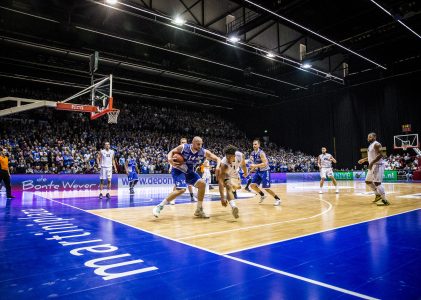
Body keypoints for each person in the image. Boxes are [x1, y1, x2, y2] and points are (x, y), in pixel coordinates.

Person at [153, 136, 221, 218]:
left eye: (201, 144)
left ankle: (199, 210)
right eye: (198, 144)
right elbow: (171, 151)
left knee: (202, 184)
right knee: (181, 189)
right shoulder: (184, 147)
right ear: (193, 143)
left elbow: (217, 158)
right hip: (178, 170)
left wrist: (217, 167)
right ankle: (159, 206)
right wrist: (169, 159)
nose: (200, 146)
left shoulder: (203, 152)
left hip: (189, 172)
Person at [358, 132, 390, 206]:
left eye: (370, 137)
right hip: (372, 165)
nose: (368, 138)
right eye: (368, 137)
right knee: (368, 181)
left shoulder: (377, 144)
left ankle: (385, 201)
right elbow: (371, 157)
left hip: (378, 165)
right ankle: (377, 195)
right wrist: (364, 160)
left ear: (374, 137)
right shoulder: (370, 146)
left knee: (377, 183)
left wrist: (372, 163)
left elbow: (381, 155)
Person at [218, 145, 248, 219]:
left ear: (234, 156)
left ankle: (233, 192)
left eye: (229, 157)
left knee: (235, 188)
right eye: (226, 157)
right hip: (226, 173)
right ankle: (233, 207)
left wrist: (245, 172)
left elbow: (243, 165)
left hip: (235, 174)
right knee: (228, 187)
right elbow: (220, 181)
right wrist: (222, 197)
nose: (227, 159)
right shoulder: (224, 164)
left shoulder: (240, 156)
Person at [249, 139, 281, 206]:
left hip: (265, 171)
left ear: (259, 145)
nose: (254, 145)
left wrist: (255, 166)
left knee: (266, 188)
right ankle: (262, 195)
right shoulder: (252, 153)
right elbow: (254, 163)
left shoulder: (261, 153)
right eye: (253, 144)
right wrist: (251, 170)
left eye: (255, 144)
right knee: (252, 185)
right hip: (258, 171)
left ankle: (278, 199)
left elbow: (265, 163)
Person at [169, 138, 197, 205]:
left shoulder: (189, 150)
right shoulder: (177, 151)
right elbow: (172, 159)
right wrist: (170, 166)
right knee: (177, 185)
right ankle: (172, 199)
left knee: (190, 184)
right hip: (179, 169)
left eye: (185, 142)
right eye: (182, 142)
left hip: (187, 169)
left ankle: (192, 197)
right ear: (180, 143)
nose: (183, 143)